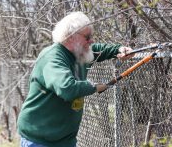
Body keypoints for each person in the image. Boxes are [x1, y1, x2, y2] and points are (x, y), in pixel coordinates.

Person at [17, 11, 134, 147]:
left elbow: (97, 49)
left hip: (65, 140)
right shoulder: (53, 58)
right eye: (87, 37)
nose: (91, 40)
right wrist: (94, 87)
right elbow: (67, 88)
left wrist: (119, 50)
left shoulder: (79, 52)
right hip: (39, 140)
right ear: (71, 36)